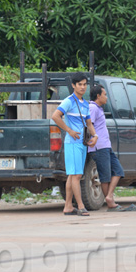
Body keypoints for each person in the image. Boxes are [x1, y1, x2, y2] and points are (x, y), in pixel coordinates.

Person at [88, 85, 136, 212]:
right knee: (105, 176)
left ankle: (109, 197)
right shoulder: (92, 108)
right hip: (99, 147)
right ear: (98, 96)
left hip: (105, 146)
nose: (106, 97)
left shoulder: (98, 108)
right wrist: (94, 138)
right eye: (104, 94)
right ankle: (110, 202)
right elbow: (89, 124)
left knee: (118, 170)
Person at [52, 73, 98, 216]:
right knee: (77, 175)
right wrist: (69, 130)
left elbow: (89, 123)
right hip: (72, 143)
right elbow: (55, 116)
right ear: (73, 85)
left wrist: (95, 135)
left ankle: (68, 206)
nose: (83, 87)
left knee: (72, 176)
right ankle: (80, 205)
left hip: (82, 143)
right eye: (80, 84)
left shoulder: (85, 103)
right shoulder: (69, 101)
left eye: (85, 84)